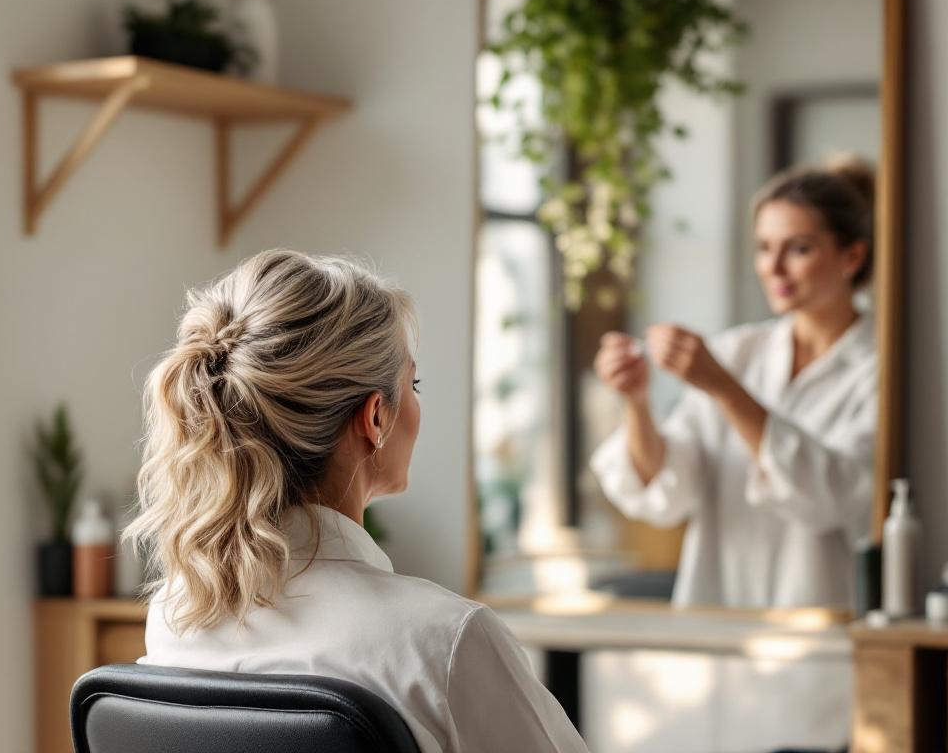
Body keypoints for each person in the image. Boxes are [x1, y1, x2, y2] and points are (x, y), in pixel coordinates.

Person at [129, 250, 588, 752]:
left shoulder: (176, 617)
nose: (417, 403)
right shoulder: (447, 642)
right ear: (375, 418)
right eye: (411, 384)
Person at [590, 158, 879, 609]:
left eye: (798, 249)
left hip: (821, 627)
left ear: (852, 256)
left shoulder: (879, 369)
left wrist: (725, 388)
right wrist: (637, 402)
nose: (774, 268)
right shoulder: (735, 352)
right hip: (719, 623)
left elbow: (832, 498)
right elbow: (669, 493)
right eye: (764, 248)